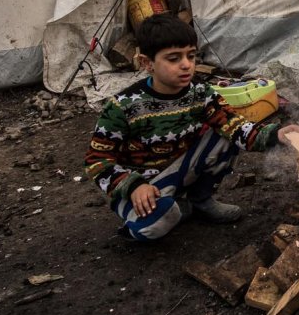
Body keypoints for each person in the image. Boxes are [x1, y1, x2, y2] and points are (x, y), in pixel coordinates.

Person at [84, 14, 279, 241]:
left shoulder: (201, 93)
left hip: (179, 170)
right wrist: (133, 185)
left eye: (191, 56)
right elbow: (96, 161)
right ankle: (153, 215)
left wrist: (276, 134)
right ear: (147, 63)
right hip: (144, 186)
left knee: (225, 135)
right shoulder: (123, 107)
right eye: (174, 58)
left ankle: (200, 200)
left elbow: (236, 127)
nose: (186, 64)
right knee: (158, 223)